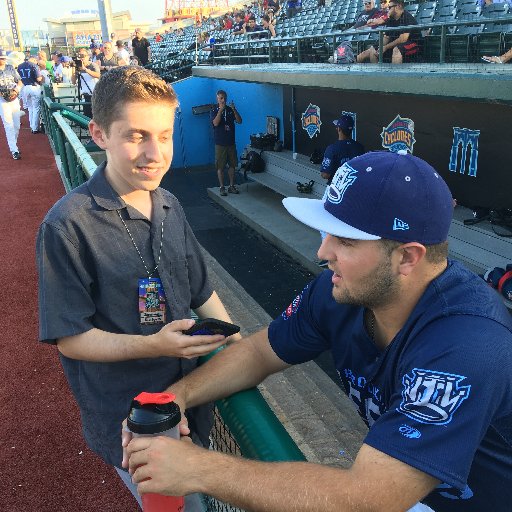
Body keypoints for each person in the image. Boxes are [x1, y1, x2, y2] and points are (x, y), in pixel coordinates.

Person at [125, 150, 512, 512]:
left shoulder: (469, 342)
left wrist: (198, 469)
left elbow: (371, 497)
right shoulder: (342, 288)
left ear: (407, 257)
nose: (322, 252)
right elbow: (260, 352)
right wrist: (174, 399)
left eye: (343, 240)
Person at [36, 66, 238, 510]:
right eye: (136, 136)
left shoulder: (169, 202)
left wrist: (239, 347)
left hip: (193, 401)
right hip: (135, 422)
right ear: (99, 133)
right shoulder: (67, 224)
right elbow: (71, 339)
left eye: (164, 136)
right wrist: (155, 345)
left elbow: (203, 292)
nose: (154, 153)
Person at [210, 89, 242, 196]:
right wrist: (220, 111)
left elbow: (239, 121)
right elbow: (215, 123)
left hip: (231, 143)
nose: (223, 100)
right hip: (220, 143)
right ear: (217, 99)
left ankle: (231, 186)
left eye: (224, 98)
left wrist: (234, 109)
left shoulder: (230, 109)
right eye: (221, 98)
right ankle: (222, 187)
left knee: (232, 165)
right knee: (220, 167)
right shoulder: (214, 109)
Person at [0, 49, 23, 159]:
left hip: (14, 98)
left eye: (4, 58)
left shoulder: (10, 67)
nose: (3, 60)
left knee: (17, 126)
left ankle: (14, 145)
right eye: (1, 58)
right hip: (2, 100)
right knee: (8, 125)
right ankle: (14, 150)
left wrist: (16, 90)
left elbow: (19, 80)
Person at [17, 54, 42, 133]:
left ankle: (32, 125)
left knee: (30, 108)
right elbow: (38, 78)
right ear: (34, 60)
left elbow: (19, 78)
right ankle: (35, 128)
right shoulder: (34, 65)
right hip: (34, 87)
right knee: (36, 108)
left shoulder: (20, 66)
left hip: (25, 87)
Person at [75, 49, 100, 118]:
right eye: (79, 56)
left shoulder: (93, 65)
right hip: (85, 95)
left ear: (88, 57)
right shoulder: (78, 67)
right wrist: (73, 70)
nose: (81, 58)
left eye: (83, 56)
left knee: (95, 116)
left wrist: (85, 69)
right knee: (86, 116)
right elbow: (74, 81)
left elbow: (98, 75)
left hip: (94, 94)